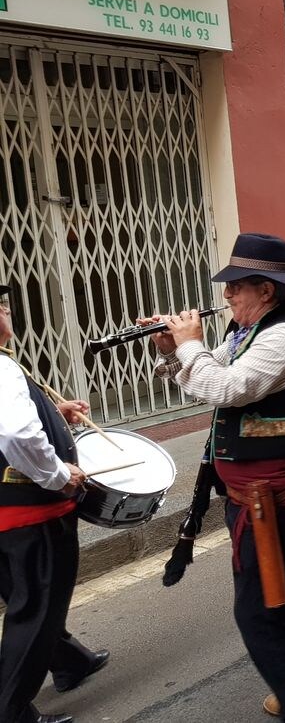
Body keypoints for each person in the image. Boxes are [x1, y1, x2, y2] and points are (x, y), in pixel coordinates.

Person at [144, 233, 285, 722]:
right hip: (255, 490)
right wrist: (172, 349)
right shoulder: (246, 333)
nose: (226, 296)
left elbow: (226, 388)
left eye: (235, 287)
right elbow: (208, 376)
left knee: (260, 609)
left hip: (271, 494)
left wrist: (191, 346)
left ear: (266, 290)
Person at [0, 284, 111, 723]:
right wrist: (59, 475)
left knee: (24, 597)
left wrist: (53, 413)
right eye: (2, 305)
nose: (7, 311)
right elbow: (16, 435)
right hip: (29, 511)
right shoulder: (2, 369)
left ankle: (69, 661)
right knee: (37, 607)